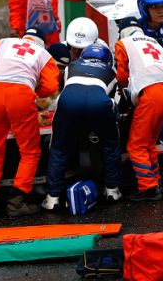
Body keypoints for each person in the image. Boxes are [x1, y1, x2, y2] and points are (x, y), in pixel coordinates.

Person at [0, 27, 60, 217]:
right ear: (42, 43)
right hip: (20, 96)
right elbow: (51, 87)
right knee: (30, 151)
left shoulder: (3, 43)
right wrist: (35, 94)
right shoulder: (43, 54)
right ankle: (16, 201)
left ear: (24, 37)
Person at [42, 44, 122, 210]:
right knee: (111, 145)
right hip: (98, 103)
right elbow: (116, 101)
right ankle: (112, 190)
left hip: (69, 102)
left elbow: (65, 90)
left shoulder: (72, 67)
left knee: (59, 148)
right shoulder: (112, 73)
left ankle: (52, 198)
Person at [114, 17, 163, 201]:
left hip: (151, 94)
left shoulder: (123, 43)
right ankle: (155, 180)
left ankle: (147, 188)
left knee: (136, 144)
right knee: (149, 141)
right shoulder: (155, 43)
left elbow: (122, 75)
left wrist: (124, 89)